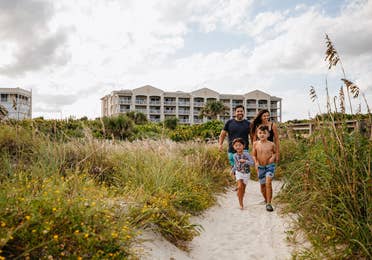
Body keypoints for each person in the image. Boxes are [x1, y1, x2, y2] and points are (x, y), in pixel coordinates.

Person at [218, 105, 251, 179]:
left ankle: (241, 185)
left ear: (244, 112)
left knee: (243, 168)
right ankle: (237, 184)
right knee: (234, 168)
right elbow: (222, 134)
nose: (240, 113)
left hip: (244, 150)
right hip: (232, 150)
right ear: (235, 112)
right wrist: (220, 144)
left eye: (241, 111)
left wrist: (255, 146)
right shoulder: (229, 122)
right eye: (238, 111)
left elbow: (252, 136)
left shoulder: (248, 124)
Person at [252, 125, 276, 212]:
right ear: (257, 134)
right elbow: (254, 155)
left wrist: (273, 157)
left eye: (264, 133)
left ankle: (269, 203)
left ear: (268, 134)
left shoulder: (271, 144)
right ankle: (266, 200)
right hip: (260, 167)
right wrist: (256, 162)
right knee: (262, 186)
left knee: (268, 183)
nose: (262, 135)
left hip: (269, 166)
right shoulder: (255, 144)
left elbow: (274, 153)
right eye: (260, 133)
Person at [231, 138, 254, 209]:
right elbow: (236, 164)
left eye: (239, 145)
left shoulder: (246, 154)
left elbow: (252, 163)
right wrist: (232, 170)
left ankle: (241, 198)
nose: (238, 147)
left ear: (243, 146)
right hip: (239, 172)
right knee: (240, 185)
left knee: (242, 190)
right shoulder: (234, 155)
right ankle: (241, 204)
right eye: (236, 145)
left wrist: (245, 161)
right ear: (234, 147)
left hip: (246, 173)